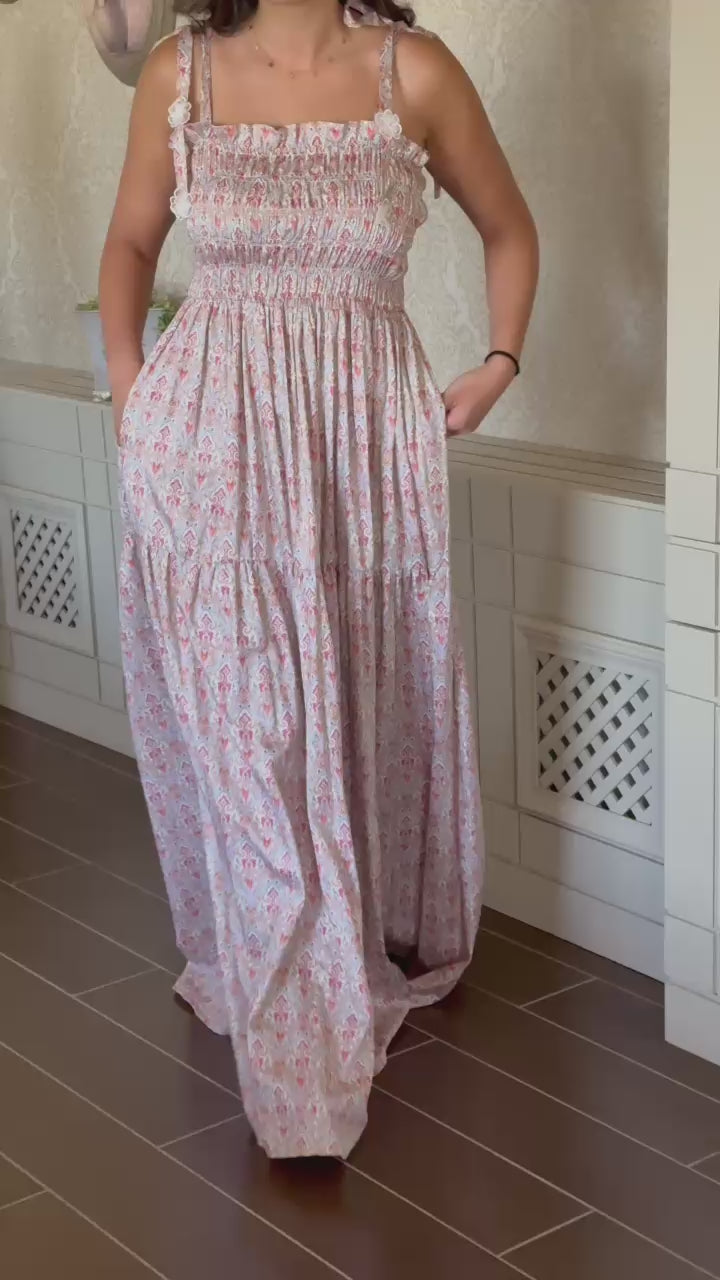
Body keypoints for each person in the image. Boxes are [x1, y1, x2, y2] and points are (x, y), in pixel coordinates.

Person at [99, 0, 538, 1160]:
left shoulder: (419, 73)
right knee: (250, 728)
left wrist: (498, 362)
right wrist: (136, 396)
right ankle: (297, 1056)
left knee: (356, 697)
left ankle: (345, 944)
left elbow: (511, 229)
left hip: (365, 452)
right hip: (212, 444)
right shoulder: (177, 75)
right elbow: (130, 245)